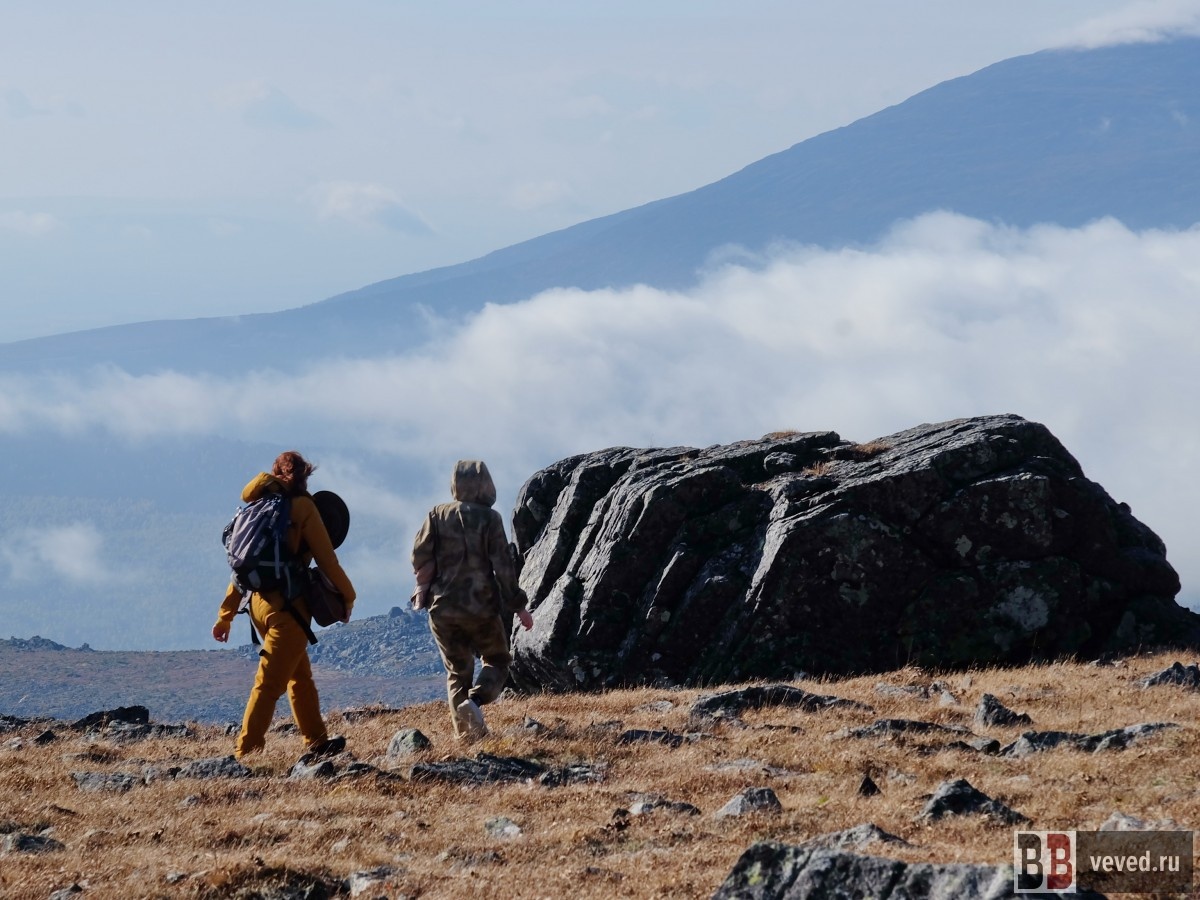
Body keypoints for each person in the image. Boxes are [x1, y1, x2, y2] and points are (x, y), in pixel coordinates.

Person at [212, 451, 355, 760]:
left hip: (257, 606)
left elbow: (240, 568)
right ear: (304, 476)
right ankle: (246, 753)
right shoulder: (303, 507)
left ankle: (317, 742)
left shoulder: (257, 506)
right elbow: (327, 561)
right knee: (267, 684)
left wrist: (226, 615)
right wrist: (348, 596)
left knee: (299, 676)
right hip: (288, 611)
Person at [411, 459, 533, 742]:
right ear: (484, 484)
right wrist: (519, 606)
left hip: (442, 608)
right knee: (498, 661)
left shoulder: (436, 515)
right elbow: (503, 566)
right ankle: (475, 702)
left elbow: (418, 556)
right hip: (481, 608)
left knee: (457, 673)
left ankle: (466, 738)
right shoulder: (490, 519)